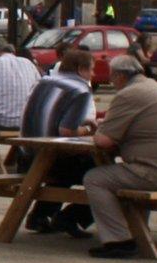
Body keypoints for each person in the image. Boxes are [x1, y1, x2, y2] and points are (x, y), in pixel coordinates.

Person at [83, 54, 157, 259]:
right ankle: (136, 231)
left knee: (95, 178)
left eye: (112, 76)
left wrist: (96, 130)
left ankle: (118, 240)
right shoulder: (156, 87)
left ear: (120, 76)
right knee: (129, 173)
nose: (111, 81)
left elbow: (103, 141)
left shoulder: (129, 94)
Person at [13, 46, 99, 235]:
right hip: (52, 160)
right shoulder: (81, 90)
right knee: (103, 174)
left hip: (27, 156)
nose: (93, 74)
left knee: (68, 172)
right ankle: (71, 218)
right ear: (80, 69)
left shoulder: (43, 82)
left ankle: (40, 216)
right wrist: (88, 129)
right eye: (91, 69)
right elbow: (66, 130)